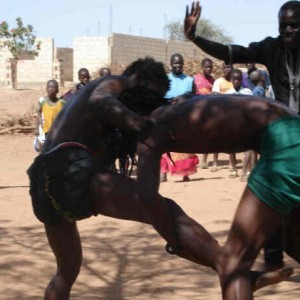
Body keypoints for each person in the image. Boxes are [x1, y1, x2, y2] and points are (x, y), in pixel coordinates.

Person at [27, 57, 287, 300]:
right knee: (166, 211)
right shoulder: (114, 82)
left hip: (41, 183)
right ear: (139, 78)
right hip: (69, 168)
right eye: (151, 93)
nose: (149, 101)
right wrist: (141, 126)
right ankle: (229, 267)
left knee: (67, 270)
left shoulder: (80, 103)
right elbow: (101, 101)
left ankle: (227, 267)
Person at [137, 93, 300, 300]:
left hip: (286, 146)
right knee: (295, 243)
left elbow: (146, 198)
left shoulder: (149, 130)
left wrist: (175, 242)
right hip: (293, 129)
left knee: (234, 264)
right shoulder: (186, 103)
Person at [184, 0, 300, 271]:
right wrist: (194, 37)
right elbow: (231, 52)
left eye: (295, 25)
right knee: (269, 193)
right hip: (280, 136)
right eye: (284, 25)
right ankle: (272, 258)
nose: (289, 30)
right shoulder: (272, 47)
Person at [161, 53, 198, 182]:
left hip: (184, 117)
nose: (178, 65)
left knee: (184, 144)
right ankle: (163, 172)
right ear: (171, 64)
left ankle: (185, 172)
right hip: (167, 116)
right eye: (175, 63)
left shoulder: (190, 81)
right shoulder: (164, 79)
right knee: (164, 144)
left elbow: (194, 99)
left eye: (180, 63)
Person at [194, 57, 216, 169]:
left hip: (208, 113)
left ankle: (204, 160)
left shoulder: (213, 81)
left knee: (206, 136)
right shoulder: (196, 79)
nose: (209, 68)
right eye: (206, 66)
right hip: (196, 111)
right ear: (202, 67)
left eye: (210, 67)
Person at [210, 62, 233, 173]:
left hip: (232, 114)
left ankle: (231, 163)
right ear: (222, 69)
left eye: (229, 67)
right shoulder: (218, 81)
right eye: (225, 67)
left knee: (231, 139)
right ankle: (215, 162)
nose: (227, 69)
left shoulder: (235, 80)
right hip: (219, 114)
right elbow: (214, 95)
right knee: (216, 138)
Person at [35, 80, 65, 152]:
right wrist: (37, 128)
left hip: (57, 131)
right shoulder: (43, 102)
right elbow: (38, 113)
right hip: (46, 131)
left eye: (53, 87)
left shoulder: (61, 103)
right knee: (43, 150)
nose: (50, 89)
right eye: (49, 87)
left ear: (57, 90)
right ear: (46, 89)